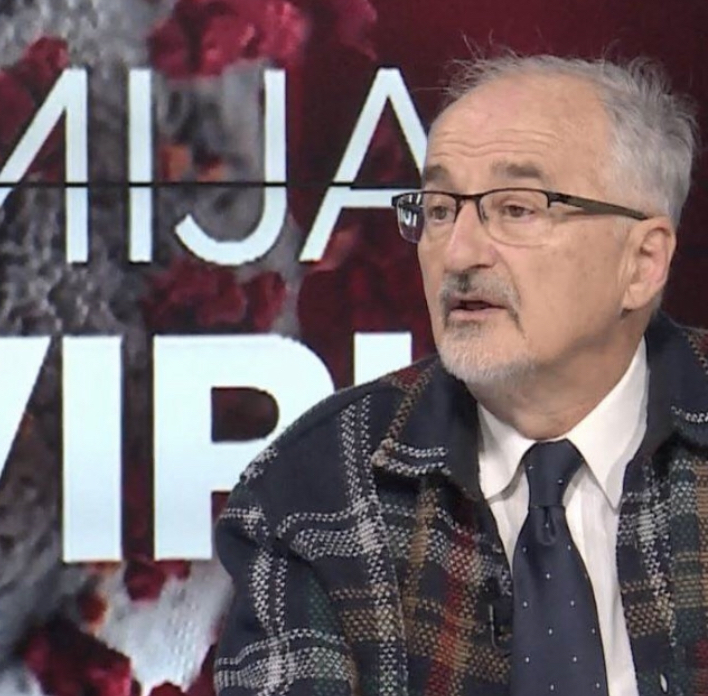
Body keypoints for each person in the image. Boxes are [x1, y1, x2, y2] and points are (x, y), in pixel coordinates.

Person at [212, 54, 701, 696]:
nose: (460, 253)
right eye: (440, 210)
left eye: (517, 208)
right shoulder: (311, 489)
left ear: (642, 262)